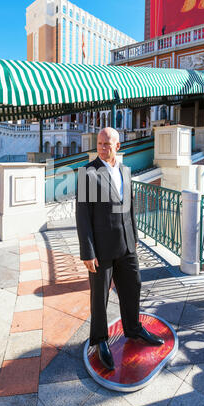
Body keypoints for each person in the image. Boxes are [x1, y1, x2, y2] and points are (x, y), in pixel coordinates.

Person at [76, 127, 164, 370]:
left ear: (118, 145)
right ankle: (100, 340)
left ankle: (134, 329)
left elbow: (131, 206)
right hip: (101, 248)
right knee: (99, 296)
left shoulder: (125, 170)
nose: (103, 147)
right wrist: (87, 252)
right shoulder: (87, 173)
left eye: (108, 143)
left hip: (127, 245)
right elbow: (82, 215)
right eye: (100, 143)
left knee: (133, 286)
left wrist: (134, 236)